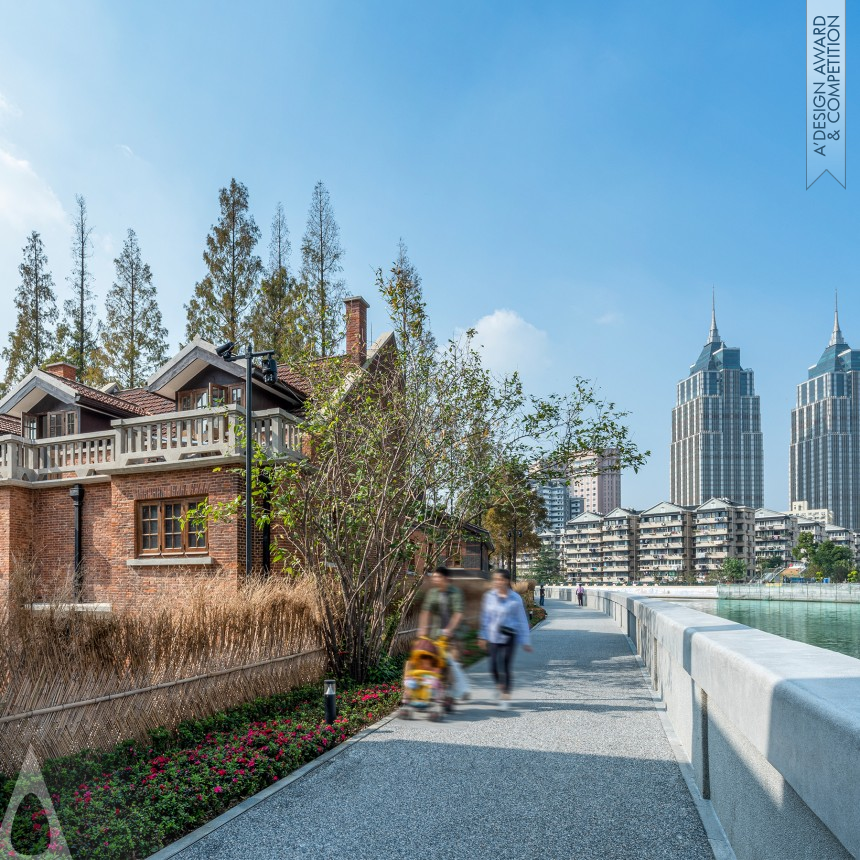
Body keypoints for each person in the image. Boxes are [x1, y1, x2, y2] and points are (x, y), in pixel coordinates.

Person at [478, 569, 532, 709]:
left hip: (510, 636)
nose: (497, 582)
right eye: (495, 579)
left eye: (500, 579)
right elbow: (485, 618)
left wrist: (525, 640)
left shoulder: (515, 598)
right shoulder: (489, 596)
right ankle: (500, 687)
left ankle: (505, 694)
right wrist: (482, 636)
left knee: (506, 665)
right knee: (493, 667)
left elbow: (521, 620)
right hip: (493, 636)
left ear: (506, 581)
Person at [418, 565, 469, 700]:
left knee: (452, 661)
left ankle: (456, 690)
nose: (434, 580)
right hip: (436, 633)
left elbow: (458, 613)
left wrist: (450, 629)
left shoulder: (456, 592)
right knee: (437, 662)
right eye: (433, 577)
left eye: (437, 577)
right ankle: (445, 690)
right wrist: (422, 630)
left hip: (454, 633)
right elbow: (425, 611)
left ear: (445, 578)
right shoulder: (432, 593)